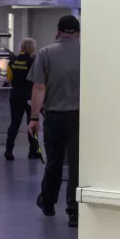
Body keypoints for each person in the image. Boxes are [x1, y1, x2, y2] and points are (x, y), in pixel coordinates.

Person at [28, 15, 81, 227]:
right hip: (80, 117)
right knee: (77, 165)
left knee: (54, 161)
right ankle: (74, 212)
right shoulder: (88, 53)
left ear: (58, 31)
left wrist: (33, 117)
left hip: (54, 117)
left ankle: (48, 203)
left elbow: (39, 87)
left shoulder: (45, 53)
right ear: (77, 33)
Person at [5, 38, 42, 161]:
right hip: (30, 96)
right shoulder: (34, 61)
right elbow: (38, 79)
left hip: (15, 95)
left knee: (14, 123)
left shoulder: (12, 61)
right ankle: (33, 151)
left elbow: (9, 78)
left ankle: (8, 151)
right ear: (32, 47)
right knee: (32, 123)